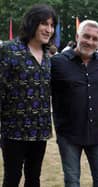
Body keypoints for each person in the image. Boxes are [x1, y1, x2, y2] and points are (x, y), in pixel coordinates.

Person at [0, 4, 57, 187]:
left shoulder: (48, 55)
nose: (49, 29)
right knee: (12, 177)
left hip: (40, 130)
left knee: (34, 178)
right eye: (44, 24)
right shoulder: (9, 50)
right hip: (13, 130)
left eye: (51, 25)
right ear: (32, 23)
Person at [51, 20, 98, 187]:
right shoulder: (57, 63)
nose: (90, 41)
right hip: (69, 134)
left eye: (94, 38)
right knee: (72, 182)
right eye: (86, 36)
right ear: (77, 36)